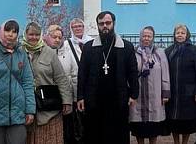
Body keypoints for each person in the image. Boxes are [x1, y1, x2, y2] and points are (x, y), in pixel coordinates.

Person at [76, 11, 139, 144]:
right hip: (94, 100)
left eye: (108, 23)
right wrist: (80, 96)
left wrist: (134, 95)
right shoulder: (88, 47)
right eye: (101, 23)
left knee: (118, 135)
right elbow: (82, 74)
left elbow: (133, 72)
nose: (105, 26)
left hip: (118, 100)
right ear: (98, 25)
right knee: (94, 134)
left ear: (113, 24)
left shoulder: (126, 47)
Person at [0, 20, 36, 144]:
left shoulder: (21, 54)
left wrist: (30, 110)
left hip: (18, 114)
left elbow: (28, 83)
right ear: (1, 31)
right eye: (7, 30)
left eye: (14, 32)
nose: (10, 34)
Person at [22, 22, 73, 144]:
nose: (34, 37)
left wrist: (67, 101)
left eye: (37, 35)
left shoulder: (49, 53)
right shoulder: (19, 52)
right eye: (31, 34)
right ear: (25, 35)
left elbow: (61, 78)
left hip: (48, 108)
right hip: (25, 107)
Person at [129, 26, 170, 144]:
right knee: (139, 126)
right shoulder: (133, 53)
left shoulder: (159, 53)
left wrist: (165, 93)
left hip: (155, 95)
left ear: (153, 38)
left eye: (149, 36)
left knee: (153, 127)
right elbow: (129, 73)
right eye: (144, 36)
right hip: (138, 96)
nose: (146, 38)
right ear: (140, 37)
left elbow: (165, 73)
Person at [165, 24, 196, 144]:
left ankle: (185, 142)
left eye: (182, 33)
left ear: (187, 35)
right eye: (178, 33)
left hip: (188, 93)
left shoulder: (194, 50)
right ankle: (176, 142)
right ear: (174, 35)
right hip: (173, 92)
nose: (180, 35)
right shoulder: (168, 51)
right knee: (174, 121)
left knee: (187, 123)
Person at [55, 25, 83, 144]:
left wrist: (76, 98)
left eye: (59, 37)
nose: (57, 40)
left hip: (67, 97)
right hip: (50, 99)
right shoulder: (44, 52)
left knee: (68, 128)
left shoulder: (67, 52)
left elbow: (74, 75)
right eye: (54, 37)